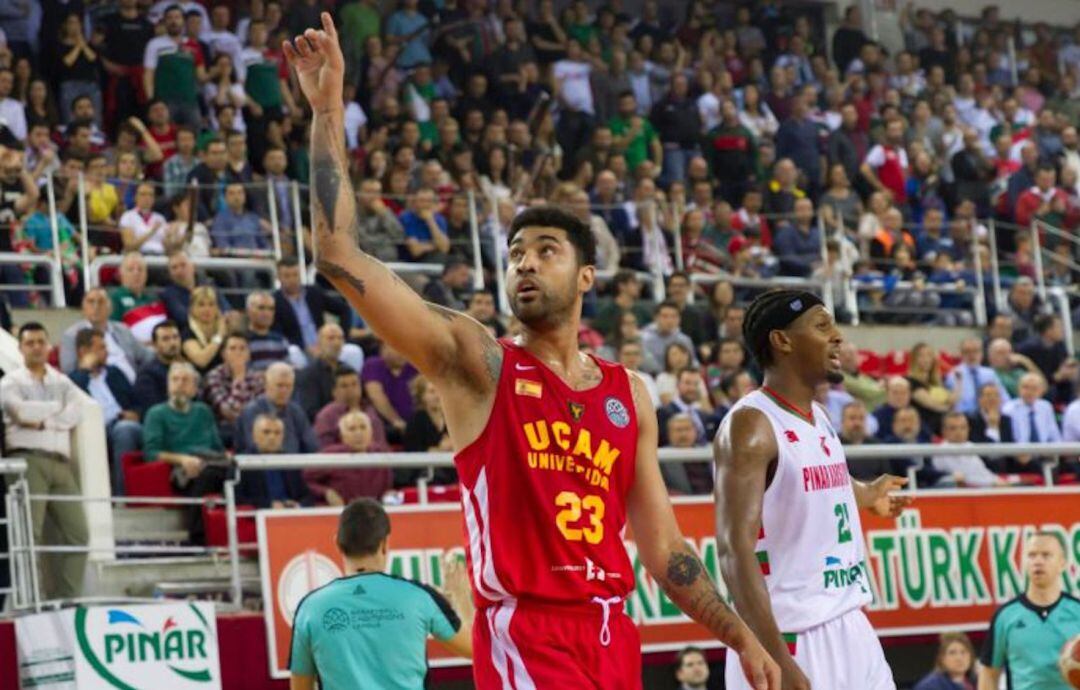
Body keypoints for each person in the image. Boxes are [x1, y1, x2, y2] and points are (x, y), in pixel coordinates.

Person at [284, 14, 778, 689]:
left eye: (546, 251)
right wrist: (329, 108)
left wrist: (741, 636)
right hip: (525, 633)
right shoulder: (477, 363)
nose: (525, 264)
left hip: (611, 632)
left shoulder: (628, 392)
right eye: (516, 253)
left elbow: (665, 551)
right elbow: (339, 255)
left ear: (585, 277)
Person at [714, 289, 910, 690]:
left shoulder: (818, 416)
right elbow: (734, 551)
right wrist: (777, 661)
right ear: (782, 341)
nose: (838, 336)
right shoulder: (750, 427)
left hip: (850, 622)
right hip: (790, 637)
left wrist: (867, 493)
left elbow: (823, 483)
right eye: (823, 326)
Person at [288, 497, 473, 689]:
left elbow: (300, 686)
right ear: (384, 544)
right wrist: (463, 601)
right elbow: (478, 649)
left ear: (337, 543)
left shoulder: (309, 608)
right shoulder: (421, 597)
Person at [1, 323, 88, 600]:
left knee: (78, 534)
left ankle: (66, 599)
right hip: (27, 460)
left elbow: (78, 410)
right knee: (28, 536)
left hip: (61, 463)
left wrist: (42, 419)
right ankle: (30, 600)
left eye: (41, 341)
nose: (37, 347)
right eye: (30, 342)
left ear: (49, 346)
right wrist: (56, 411)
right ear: (21, 347)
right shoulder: (10, 382)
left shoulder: (61, 380)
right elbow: (21, 412)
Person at [979, 532, 1080, 690]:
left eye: (1046, 555)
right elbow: (989, 674)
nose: (1038, 561)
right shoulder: (1005, 616)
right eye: (1031, 555)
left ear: (1062, 563)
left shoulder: (1077, 611)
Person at [141, 362, 227, 544]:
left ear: (195, 388)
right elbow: (151, 452)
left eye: (185, 380)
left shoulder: (204, 411)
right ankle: (197, 537)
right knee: (209, 473)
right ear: (168, 385)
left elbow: (218, 448)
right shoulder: (156, 414)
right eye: (175, 380)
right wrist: (182, 459)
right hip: (181, 469)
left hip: (212, 461)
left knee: (238, 471)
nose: (179, 384)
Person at [69, 328, 143, 496]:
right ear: (84, 351)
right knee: (121, 431)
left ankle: (126, 496)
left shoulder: (115, 373)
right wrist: (84, 371)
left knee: (125, 429)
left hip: (125, 423)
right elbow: (75, 400)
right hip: (97, 430)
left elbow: (137, 402)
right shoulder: (73, 380)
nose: (107, 352)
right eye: (101, 348)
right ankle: (121, 497)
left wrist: (135, 413)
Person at [60, 288, 152, 384]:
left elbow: (146, 355)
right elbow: (69, 371)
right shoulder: (71, 335)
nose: (96, 307)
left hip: (135, 383)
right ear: (83, 308)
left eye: (101, 302)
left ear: (110, 308)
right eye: (91, 302)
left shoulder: (122, 329)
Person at [306, 410, 393, 505]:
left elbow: (387, 490)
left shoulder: (380, 455)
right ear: (342, 435)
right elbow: (307, 480)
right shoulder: (332, 455)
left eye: (363, 427)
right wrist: (326, 492)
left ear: (371, 432)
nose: (359, 433)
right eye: (352, 429)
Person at [235, 362, 318, 455]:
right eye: (280, 385)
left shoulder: (297, 412)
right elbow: (254, 448)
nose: (284, 391)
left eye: (288, 386)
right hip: (260, 466)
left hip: (294, 466)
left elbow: (312, 446)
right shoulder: (251, 412)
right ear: (266, 385)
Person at [271, 256, 351, 352]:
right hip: (297, 349)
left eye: (295, 275)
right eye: (287, 276)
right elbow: (278, 334)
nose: (292, 279)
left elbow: (344, 309)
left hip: (324, 345)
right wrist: (305, 348)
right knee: (293, 351)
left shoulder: (314, 292)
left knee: (353, 351)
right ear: (278, 277)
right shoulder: (274, 301)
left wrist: (341, 337)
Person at [235, 415, 313, 509]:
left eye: (277, 433)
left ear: (283, 437)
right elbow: (236, 498)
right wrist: (269, 505)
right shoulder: (241, 463)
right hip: (258, 518)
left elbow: (306, 496)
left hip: (290, 517)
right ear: (254, 436)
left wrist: (298, 505)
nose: (272, 437)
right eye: (266, 432)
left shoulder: (290, 462)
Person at [202, 332, 265, 446]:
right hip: (223, 432)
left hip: (253, 429)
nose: (238, 353)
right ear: (223, 354)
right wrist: (239, 378)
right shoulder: (213, 377)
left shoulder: (256, 378)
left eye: (242, 349)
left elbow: (261, 411)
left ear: (249, 355)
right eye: (232, 348)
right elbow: (229, 414)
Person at [930, 412, 1008, 488]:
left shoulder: (970, 446)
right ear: (944, 431)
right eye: (953, 428)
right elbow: (966, 477)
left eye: (963, 427)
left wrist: (996, 480)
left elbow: (981, 472)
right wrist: (992, 482)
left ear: (968, 429)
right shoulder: (940, 451)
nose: (959, 432)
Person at [294, 323, 346, 420]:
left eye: (340, 338)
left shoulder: (347, 370)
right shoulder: (308, 374)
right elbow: (310, 411)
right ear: (319, 343)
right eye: (331, 338)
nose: (336, 343)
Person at [914, 632, 978, 690]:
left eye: (963, 652)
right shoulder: (929, 686)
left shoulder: (977, 682)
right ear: (942, 658)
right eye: (952, 653)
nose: (959, 658)